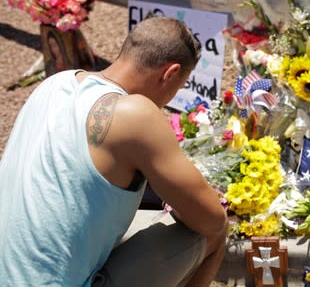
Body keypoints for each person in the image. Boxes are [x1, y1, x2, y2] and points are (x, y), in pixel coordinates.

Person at [0, 17, 228, 286]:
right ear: (169, 74)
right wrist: (192, 202)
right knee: (213, 231)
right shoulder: (136, 114)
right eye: (177, 89)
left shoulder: (55, 83)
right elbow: (210, 219)